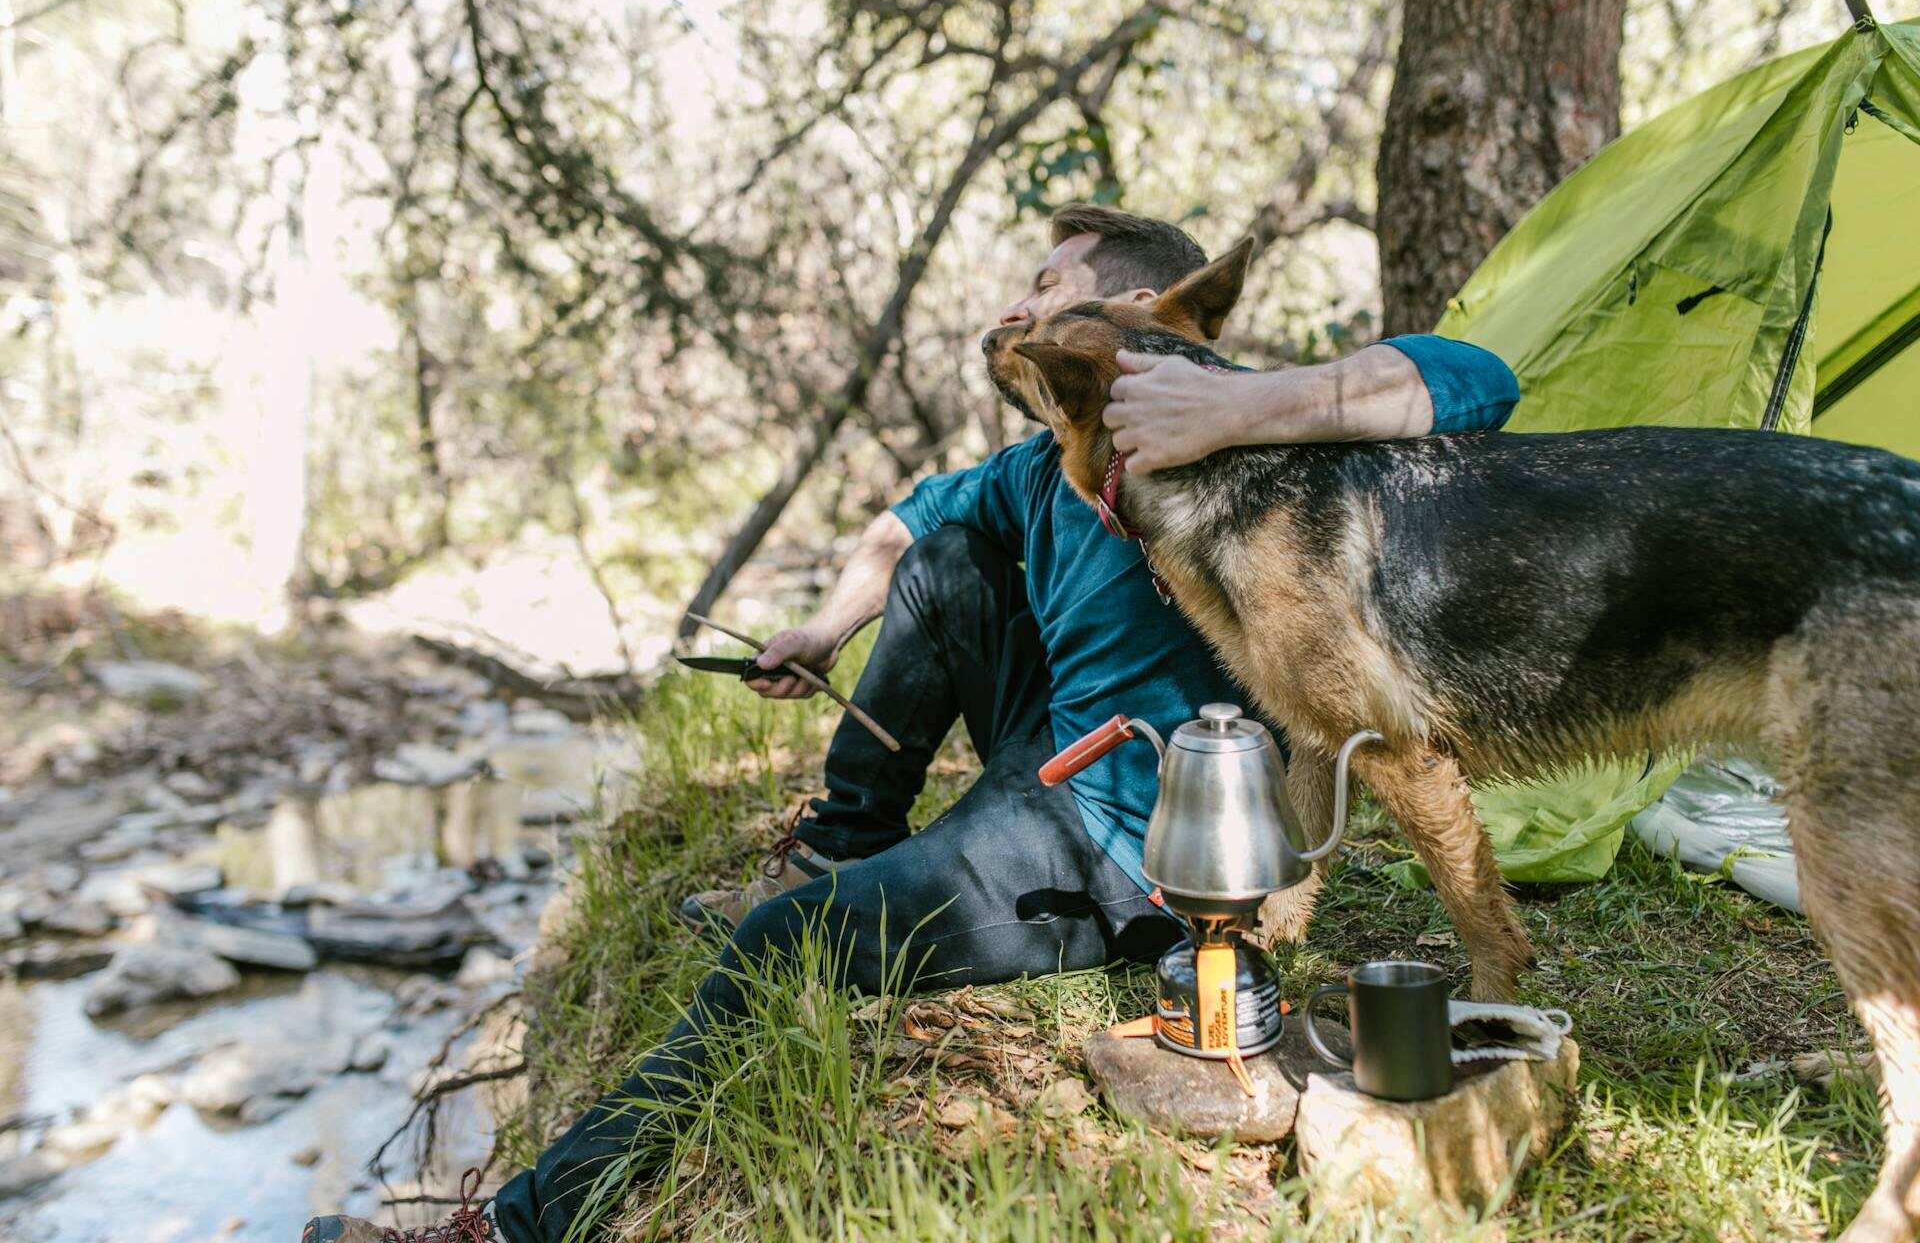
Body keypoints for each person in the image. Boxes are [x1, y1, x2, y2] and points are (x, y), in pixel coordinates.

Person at [302, 205, 1519, 1243]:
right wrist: (827, 627)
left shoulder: (1259, 442)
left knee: (781, 948)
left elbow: (1482, 379)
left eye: (1046, 288)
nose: (1017, 306)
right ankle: (842, 838)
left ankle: (507, 1228)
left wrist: (1242, 403)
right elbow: (900, 528)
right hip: (1048, 746)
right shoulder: (1045, 461)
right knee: (943, 558)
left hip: (1129, 832)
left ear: (1136, 308)